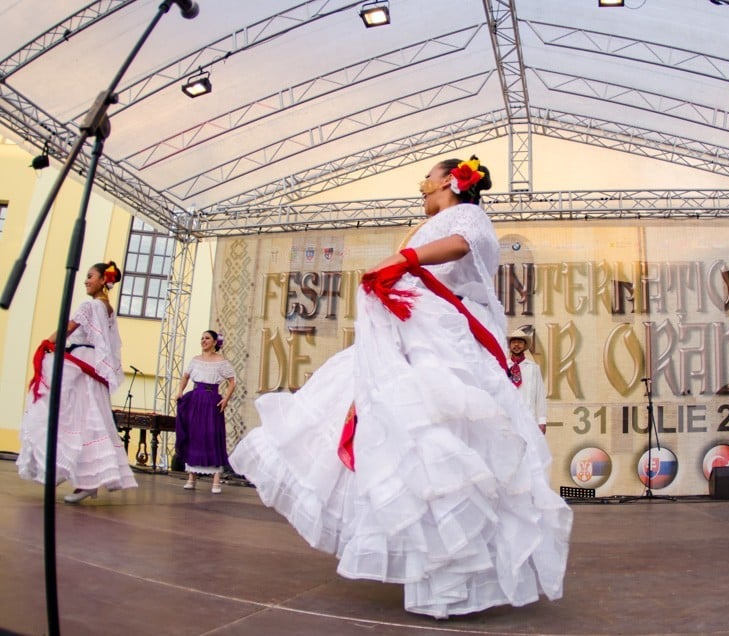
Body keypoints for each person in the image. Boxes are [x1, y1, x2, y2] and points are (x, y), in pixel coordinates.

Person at [230, 155, 571, 619]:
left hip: (445, 340)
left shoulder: (467, 215)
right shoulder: (430, 221)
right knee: (411, 445)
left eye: (427, 180)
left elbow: (461, 245)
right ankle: (433, 564)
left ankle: (455, 570)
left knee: (443, 440)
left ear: (452, 181)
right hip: (416, 335)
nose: (421, 188)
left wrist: (404, 259)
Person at [17, 261, 137, 503]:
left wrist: (46, 344)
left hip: (82, 363)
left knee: (67, 413)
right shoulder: (108, 308)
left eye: (90, 276)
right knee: (87, 419)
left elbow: (67, 329)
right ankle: (83, 478)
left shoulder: (90, 305)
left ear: (104, 280)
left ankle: (72, 472)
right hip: (93, 365)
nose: (86, 280)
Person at [175, 330, 236, 494]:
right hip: (196, 398)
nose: (203, 341)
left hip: (211, 400)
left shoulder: (221, 361)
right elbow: (186, 376)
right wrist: (180, 390)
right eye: (202, 338)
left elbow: (232, 381)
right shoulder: (195, 360)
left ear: (215, 342)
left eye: (207, 338)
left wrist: (226, 399)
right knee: (195, 435)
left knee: (212, 435)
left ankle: (216, 480)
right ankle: (191, 477)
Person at [508, 329, 548, 434]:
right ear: (510, 345)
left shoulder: (533, 368)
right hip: (509, 417)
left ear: (525, 345)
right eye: (513, 342)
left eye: (520, 342)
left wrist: (542, 421)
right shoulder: (503, 367)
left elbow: (540, 396)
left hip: (529, 418)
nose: (516, 345)